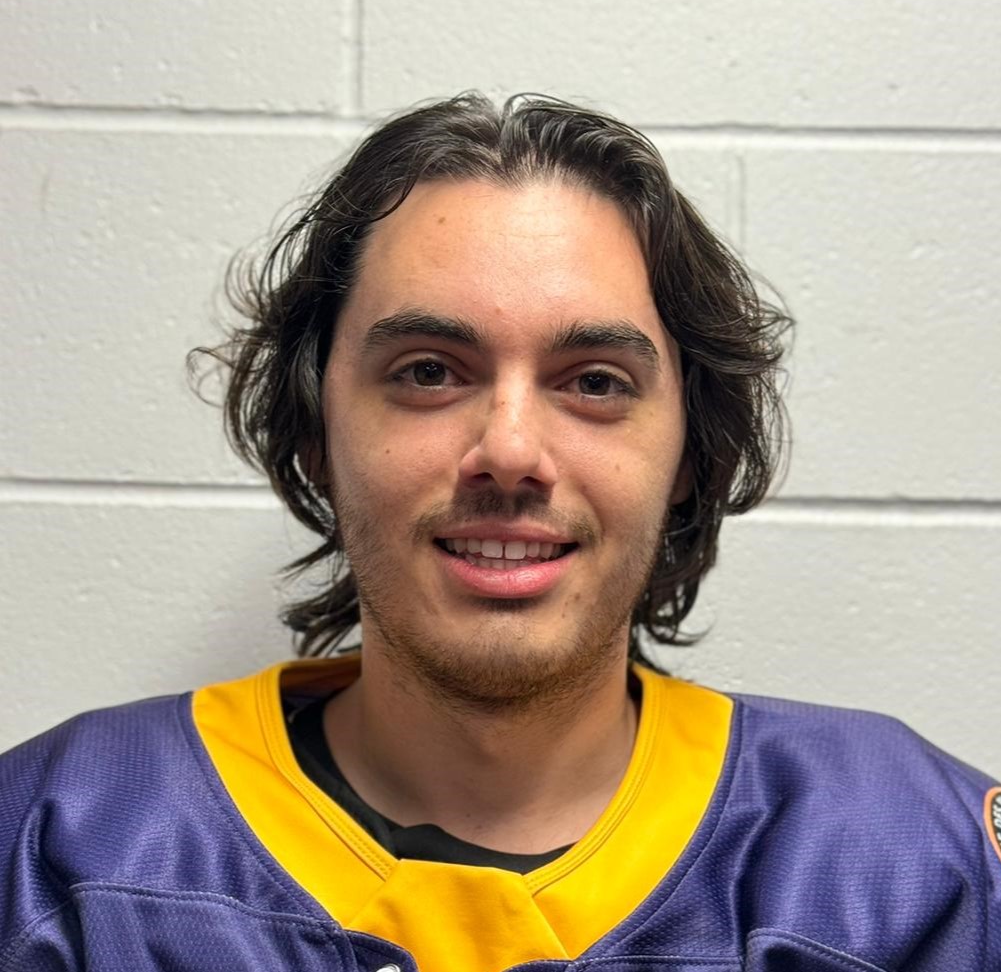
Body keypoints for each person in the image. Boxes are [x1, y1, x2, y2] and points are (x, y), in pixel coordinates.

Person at [1, 93, 998, 972]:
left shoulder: (915, 867)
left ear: (691, 450)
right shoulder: (55, 846)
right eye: (428, 372)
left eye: (594, 382)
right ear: (315, 432)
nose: (510, 450)